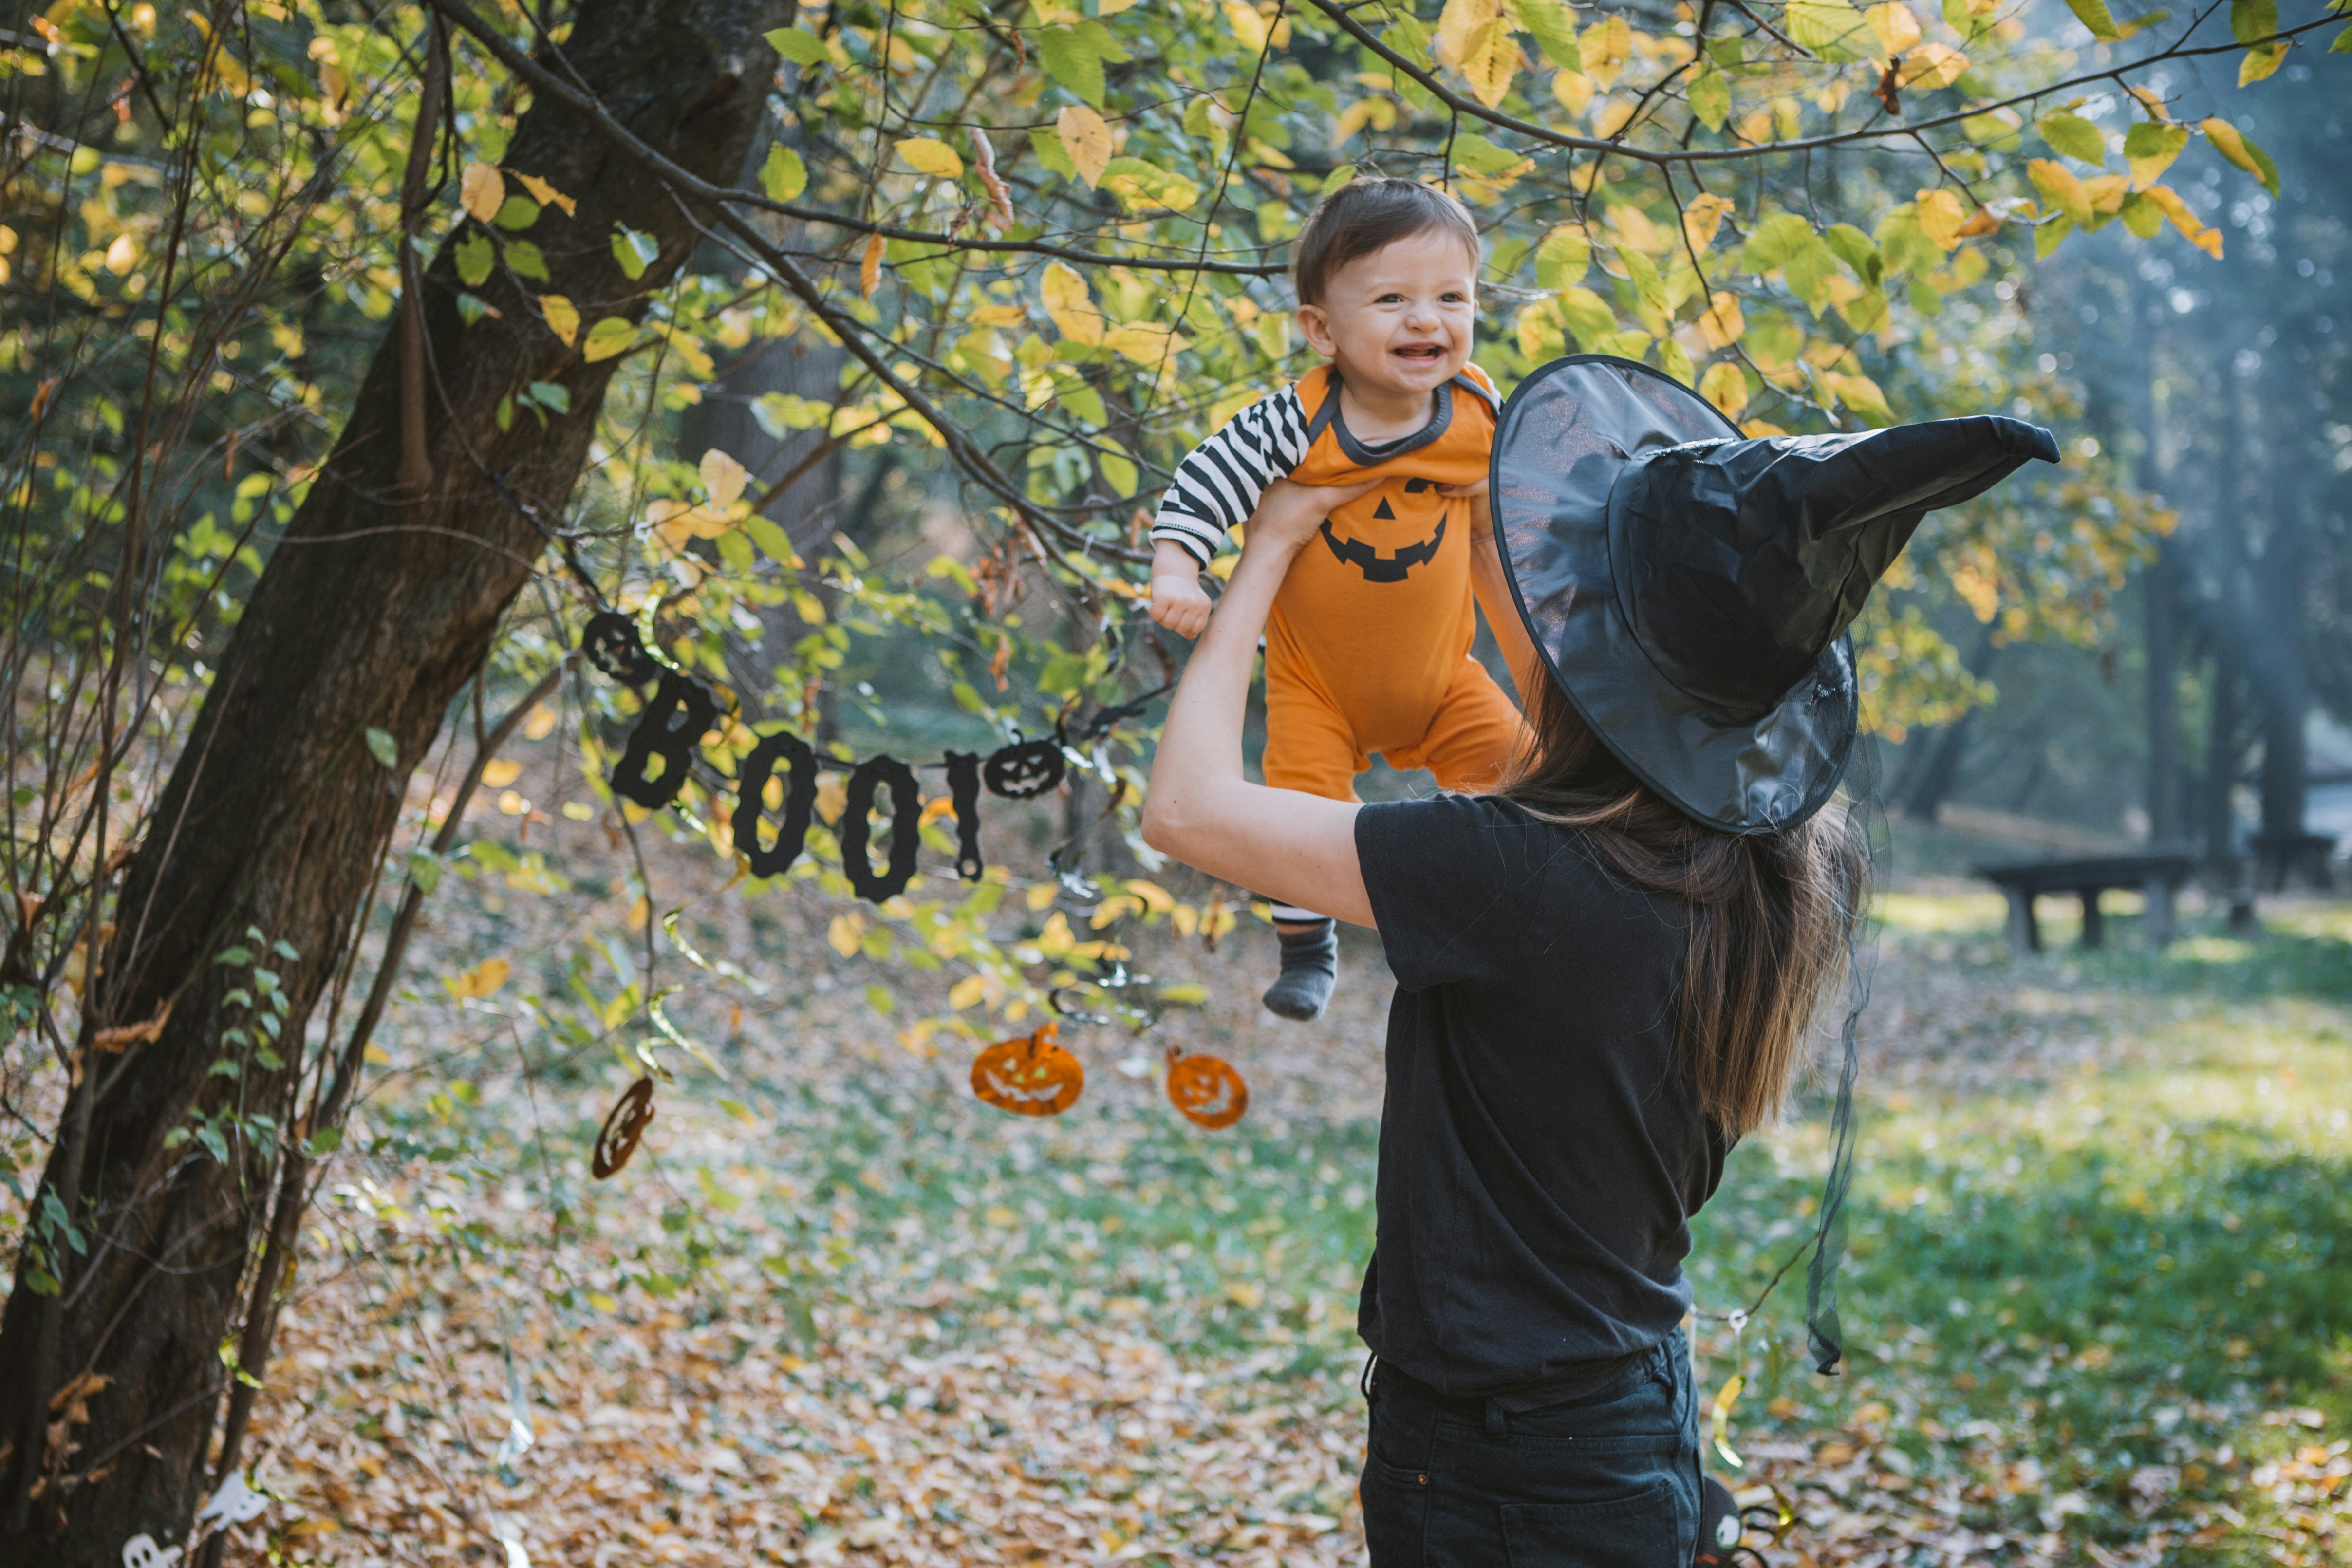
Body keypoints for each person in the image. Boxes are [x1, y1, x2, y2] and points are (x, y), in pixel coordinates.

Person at [1143, 353, 2058, 1565]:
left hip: (1495, 1464)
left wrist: (1266, 547)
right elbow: (1563, 729)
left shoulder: (1520, 873)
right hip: (1625, 1416)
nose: (1537, 596)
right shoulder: (1778, 862)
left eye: (1564, 588)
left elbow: (1191, 809)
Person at [1145, 178, 1533, 1026]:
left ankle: (1495, 904)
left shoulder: (1478, 410)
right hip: (1317, 686)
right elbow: (1203, 483)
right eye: (1391, 299)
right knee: (1298, 799)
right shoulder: (1295, 423)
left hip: (1442, 679)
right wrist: (1178, 569)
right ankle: (1306, 944)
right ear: (1321, 329)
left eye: (1450, 298)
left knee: (1528, 770)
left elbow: (1523, 500)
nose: (1426, 321)